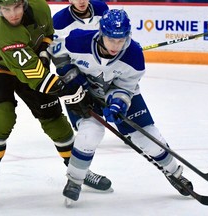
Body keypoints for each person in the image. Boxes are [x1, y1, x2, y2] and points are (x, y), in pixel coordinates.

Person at [0, 0, 111, 206]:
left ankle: (78, 169)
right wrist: (70, 92)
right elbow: (37, 76)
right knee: (3, 117)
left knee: (55, 120)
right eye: (5, 10)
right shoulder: (3, 32)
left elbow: (47, 34)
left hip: (30, 67)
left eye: (16, 8)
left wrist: (44, 53)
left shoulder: (40, 7)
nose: (12, 14)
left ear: (24, 4)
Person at [48, 9, 193, 203]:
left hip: (114, 92)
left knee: (146, 135)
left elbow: (126, 87)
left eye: (121, 40)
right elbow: (56, 52)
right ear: (101, 33)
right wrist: (70, 75)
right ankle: (74, 181)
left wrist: (117, 103)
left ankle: (174, 173)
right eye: (111, 40)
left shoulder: (134, 55)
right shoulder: (78, 40)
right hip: (82, 93)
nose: (116, 46)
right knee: (90, 133)